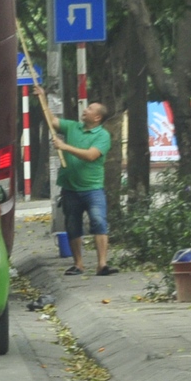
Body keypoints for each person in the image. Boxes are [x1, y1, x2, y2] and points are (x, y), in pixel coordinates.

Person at [49, 101, 113, 276]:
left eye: (90, 109)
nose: (85, 110)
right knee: (72, 224)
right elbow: (52, 120)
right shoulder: (72, 127)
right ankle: (78, 264)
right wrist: (43, 97)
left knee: (99, 221)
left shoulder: (102, 135)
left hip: (93, 188)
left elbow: (91, 156)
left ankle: (102, 264)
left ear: (97, 117)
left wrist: (64, 147)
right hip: (70, 188)